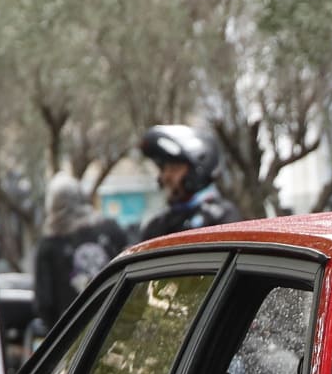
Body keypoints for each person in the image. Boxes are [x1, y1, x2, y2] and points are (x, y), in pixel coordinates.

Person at [31, 174, 127, 340]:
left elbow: (45, 303)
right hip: (119, 331)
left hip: (75, 343)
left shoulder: (49, 245)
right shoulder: (112, 230)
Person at [134, 125, 239, 240]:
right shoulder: (157, 225)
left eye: (174, 169)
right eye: (163, 169)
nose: (165, 177)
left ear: (196, 172)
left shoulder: (221, 219)